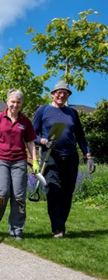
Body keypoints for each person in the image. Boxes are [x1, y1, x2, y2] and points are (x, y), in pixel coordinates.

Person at [32, 80, 95, 239]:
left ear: (67, 96)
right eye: (58, 92)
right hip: (50, 156)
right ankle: (58, 228)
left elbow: (80, 135)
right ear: (53, 94)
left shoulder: (72, 113)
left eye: (65, 93)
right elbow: (32, 135)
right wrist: (43, 141)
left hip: (71, 156)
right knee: (53, 190)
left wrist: (88, 156)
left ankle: (61, 224)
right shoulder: (43, 110)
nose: (62, 95)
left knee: (67, 193)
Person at [0, 89, 39, 240]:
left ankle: (16, 229)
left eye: (18, 102)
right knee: (2, 193)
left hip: (19, 161)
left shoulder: (25, 121)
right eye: (13, 101)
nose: (15, 105)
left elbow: (31, 142)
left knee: (19, 196)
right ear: (7, 102)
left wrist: (34, 161)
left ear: (22, 104)